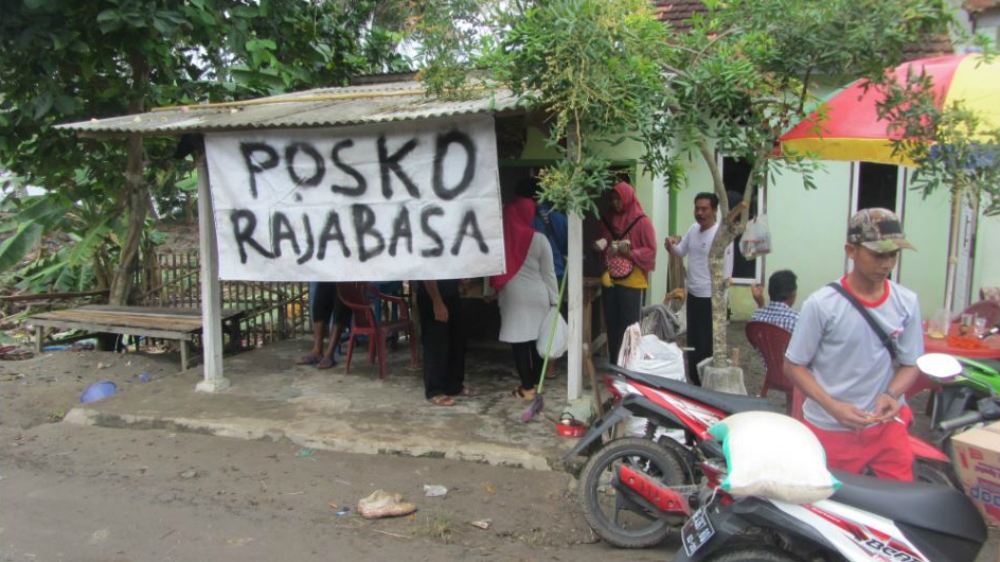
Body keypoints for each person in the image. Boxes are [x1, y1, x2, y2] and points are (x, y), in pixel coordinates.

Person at [784, 208, 923, 481]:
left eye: (893, 254)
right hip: (831, 427)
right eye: (878, 254)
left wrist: (891, 394)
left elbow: (911, 363)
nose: (886, 264)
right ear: (851, 251)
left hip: (886, 426)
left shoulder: (906, 303)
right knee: (833, 508)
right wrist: (832, 405)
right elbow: (792, 365)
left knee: (899, 504)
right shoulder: (822, 305)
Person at [491, 197, 559, 400]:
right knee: (538, 341)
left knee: (519, 342)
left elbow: (493, 269)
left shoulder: (500, 241)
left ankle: (527, 387)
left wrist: (490, 290)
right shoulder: (539, 239)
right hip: (539, 295)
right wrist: (555, 300)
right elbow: (549, 273)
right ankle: (537, 385)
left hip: (513, 296)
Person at [664, 192, 733, 385]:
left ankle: (706, 382)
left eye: (704, 209)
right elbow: (681, 251)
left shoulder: (721, 235)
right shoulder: (693, 229)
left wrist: (722, 298)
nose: (700, 213)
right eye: (697, 208)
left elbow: (727, 270)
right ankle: (694, 379)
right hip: (693, 294)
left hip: (711, 298)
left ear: (714, 210)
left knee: (707, 343)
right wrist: (670, 247)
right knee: (693, 341)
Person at [596, 181, 657, 364]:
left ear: (628, 199)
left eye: (619, 199)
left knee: (630, 327)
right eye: (613, 199)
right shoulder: (606, 220)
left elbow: (651, 250)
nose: (615, 203)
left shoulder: (642, 221)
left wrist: (629, 252)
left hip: (633, 282)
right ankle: (616, 364)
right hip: (610, 280)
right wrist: (598, 247)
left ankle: (631, 366)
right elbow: (600, 244)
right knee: (612, 326)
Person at [417, 279, 472, 407]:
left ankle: (454, 386)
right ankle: (434, 390)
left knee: (456, 342)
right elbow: (428, 273)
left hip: (451, 295)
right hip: (431, 297)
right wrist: (437, 302)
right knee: (436, 345)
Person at [297, 282, 351, 369]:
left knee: (340, 309)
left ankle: (330, 354)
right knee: (319, 305)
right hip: (329, 273)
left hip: (348, 277)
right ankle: (317, 350)